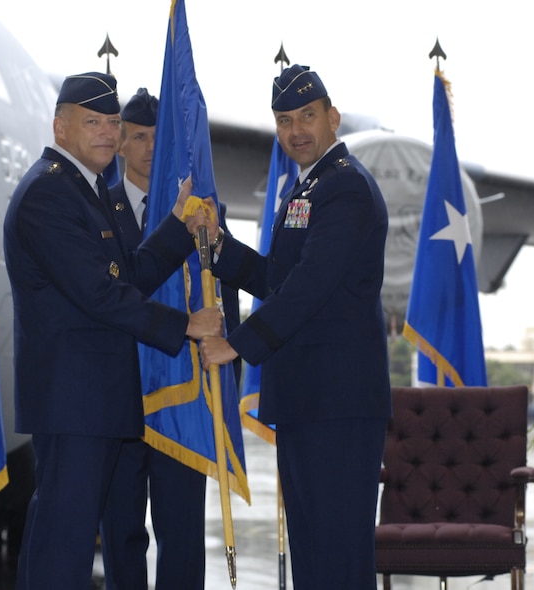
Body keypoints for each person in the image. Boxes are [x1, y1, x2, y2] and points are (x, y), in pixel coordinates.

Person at [3, 72, 221, 590]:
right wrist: (185, 325)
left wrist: (177, 227)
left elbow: (130, 273)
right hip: (74, 400)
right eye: (92, 121)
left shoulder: (87, 189)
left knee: (66, 539)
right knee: (65, 544)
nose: (105, 133)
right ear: (60, 126)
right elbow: (99, 294)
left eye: (112, 123)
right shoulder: (48, 194)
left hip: (93, 401)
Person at [199, 64, 392, 589]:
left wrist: (235, 346)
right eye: (284, 120)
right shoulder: (309, 190)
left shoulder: (346, 189)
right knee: (312, 550)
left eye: (307, 116)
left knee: (337, 553)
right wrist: (219, 249)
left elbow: (310, 285)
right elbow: (279, 278)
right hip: (311, 399)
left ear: (334, 118)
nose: (296, 130)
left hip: (340, 401)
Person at [100, 87, 216, 590]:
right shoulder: (95, 210)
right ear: (120, 142)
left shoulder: (200, 211)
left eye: (159, 137)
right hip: (116, 396)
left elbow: (218, 297)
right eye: (140, 137)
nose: (150, 147)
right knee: (121, 532)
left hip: (182, 395)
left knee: (183, 535)